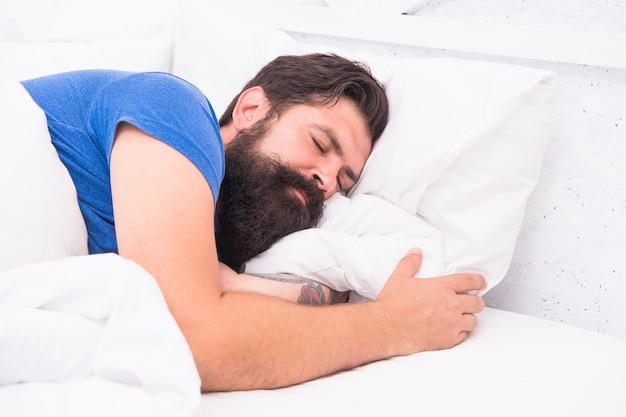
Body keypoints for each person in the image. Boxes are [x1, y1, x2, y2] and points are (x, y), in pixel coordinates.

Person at [21, 53, 486, 392]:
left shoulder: (235, 237)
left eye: (345, 180)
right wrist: (391, 325)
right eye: (321, 143)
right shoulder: (174, 109)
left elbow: (231, 310)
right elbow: (193, 343)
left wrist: (237, 287)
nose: (327, 180)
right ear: (251, 110)